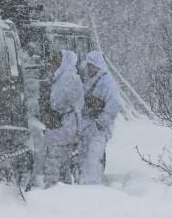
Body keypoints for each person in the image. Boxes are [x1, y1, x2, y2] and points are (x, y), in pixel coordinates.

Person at [43, 50, 84, 188]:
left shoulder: (66, 77)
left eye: (56, 62)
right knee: (64, 161)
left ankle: (52, 188)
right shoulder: (70, 76)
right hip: (69, 124)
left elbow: (59, 101)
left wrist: (50, 107)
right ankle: (64, 188)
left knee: (53, 159)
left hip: (62, 124)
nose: (53, 65)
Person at [78, 50, 120, 184]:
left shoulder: (108, 82)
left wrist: (100, 124)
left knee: (93, 160)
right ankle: (84, 186)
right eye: (88, 65)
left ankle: (93, 188)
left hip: (98, 131)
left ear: (98, 65)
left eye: (91, 65)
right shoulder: (90, 80)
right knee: (84, 161)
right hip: (87, 129)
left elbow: (112, 106)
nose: (88, 68)